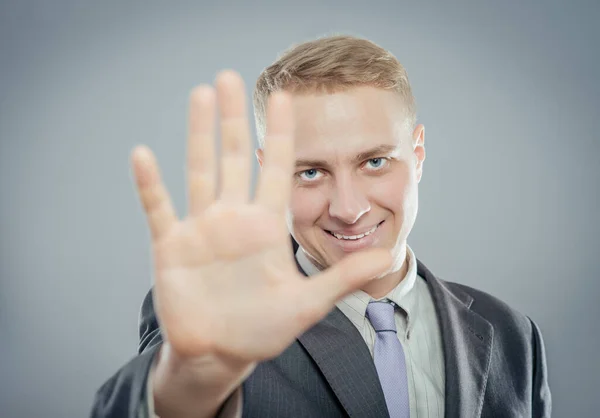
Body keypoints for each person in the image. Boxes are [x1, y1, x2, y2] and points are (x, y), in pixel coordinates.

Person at [91, 35, 551, 418]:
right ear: (269, 171)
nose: (348, 209)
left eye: (375, 161)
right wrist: (189, 382)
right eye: (310, 172)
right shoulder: (230, 315)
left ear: (418, 154)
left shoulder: (512, 333)